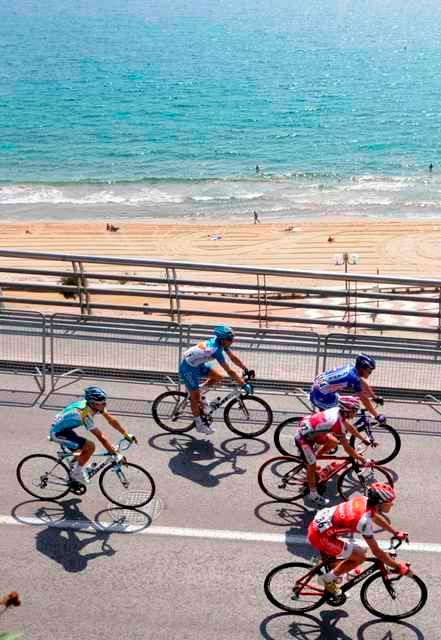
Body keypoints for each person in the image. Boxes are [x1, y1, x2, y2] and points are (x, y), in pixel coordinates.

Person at [308, 482, 409, 595]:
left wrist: (395, 532)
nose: (392, 504)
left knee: (359, 550)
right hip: (321, 537)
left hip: (322, 527)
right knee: (360, 557)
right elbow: (377, 552)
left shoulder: (364, 500)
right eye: (390, 502)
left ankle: (325, 562)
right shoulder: (363, 522)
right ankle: (326, 579)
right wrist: (398, 567)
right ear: (380, 503)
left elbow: (375, 517)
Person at [49, 387, 137, 485]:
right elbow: (101, 437)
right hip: (58, 433)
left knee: (83, 451)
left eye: (105, 402)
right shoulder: (85, 414)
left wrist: (125, 434)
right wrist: (115, 454)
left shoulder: (94, 406)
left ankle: (75, 466)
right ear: (92, 403)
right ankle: (76, 473)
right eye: (102, 403)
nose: (105, 405)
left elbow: (111, 420)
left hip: (65, 428)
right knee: (90, 446)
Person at [294, 396, 371, 507]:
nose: (355, 413)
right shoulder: (337, 424)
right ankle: (313, 494)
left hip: (311, 429)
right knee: (311, 464)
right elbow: (347, 448)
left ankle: (312, 457)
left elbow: (349, 426)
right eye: (354, 411)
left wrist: (362, 439)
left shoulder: (338, 411)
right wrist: (360, 458)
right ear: (347, 411)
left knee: (333, 442)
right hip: (303, 438)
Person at [178, 325, 251, 435]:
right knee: (195, 397)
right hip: (187, 368)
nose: (232, 341)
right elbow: (230, 371)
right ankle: (199, 425)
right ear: (223, 340)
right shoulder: (215, 350)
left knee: (218, 377)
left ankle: (200, 393)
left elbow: (233, 358)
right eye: (230, 339)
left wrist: (245, 368)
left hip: (197, 364)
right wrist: (243, 384)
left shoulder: (221, 343)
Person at [310, 354, 385, 422]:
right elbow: (363, 399)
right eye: (369, 371)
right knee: (341, 418)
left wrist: (374, 397)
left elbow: (362, 382)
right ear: (362, 368)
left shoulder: (352, 368)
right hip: (321, 396)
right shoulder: (353, 378)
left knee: (345, 407)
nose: (370, 373)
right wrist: (377, 415)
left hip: (319, 390)